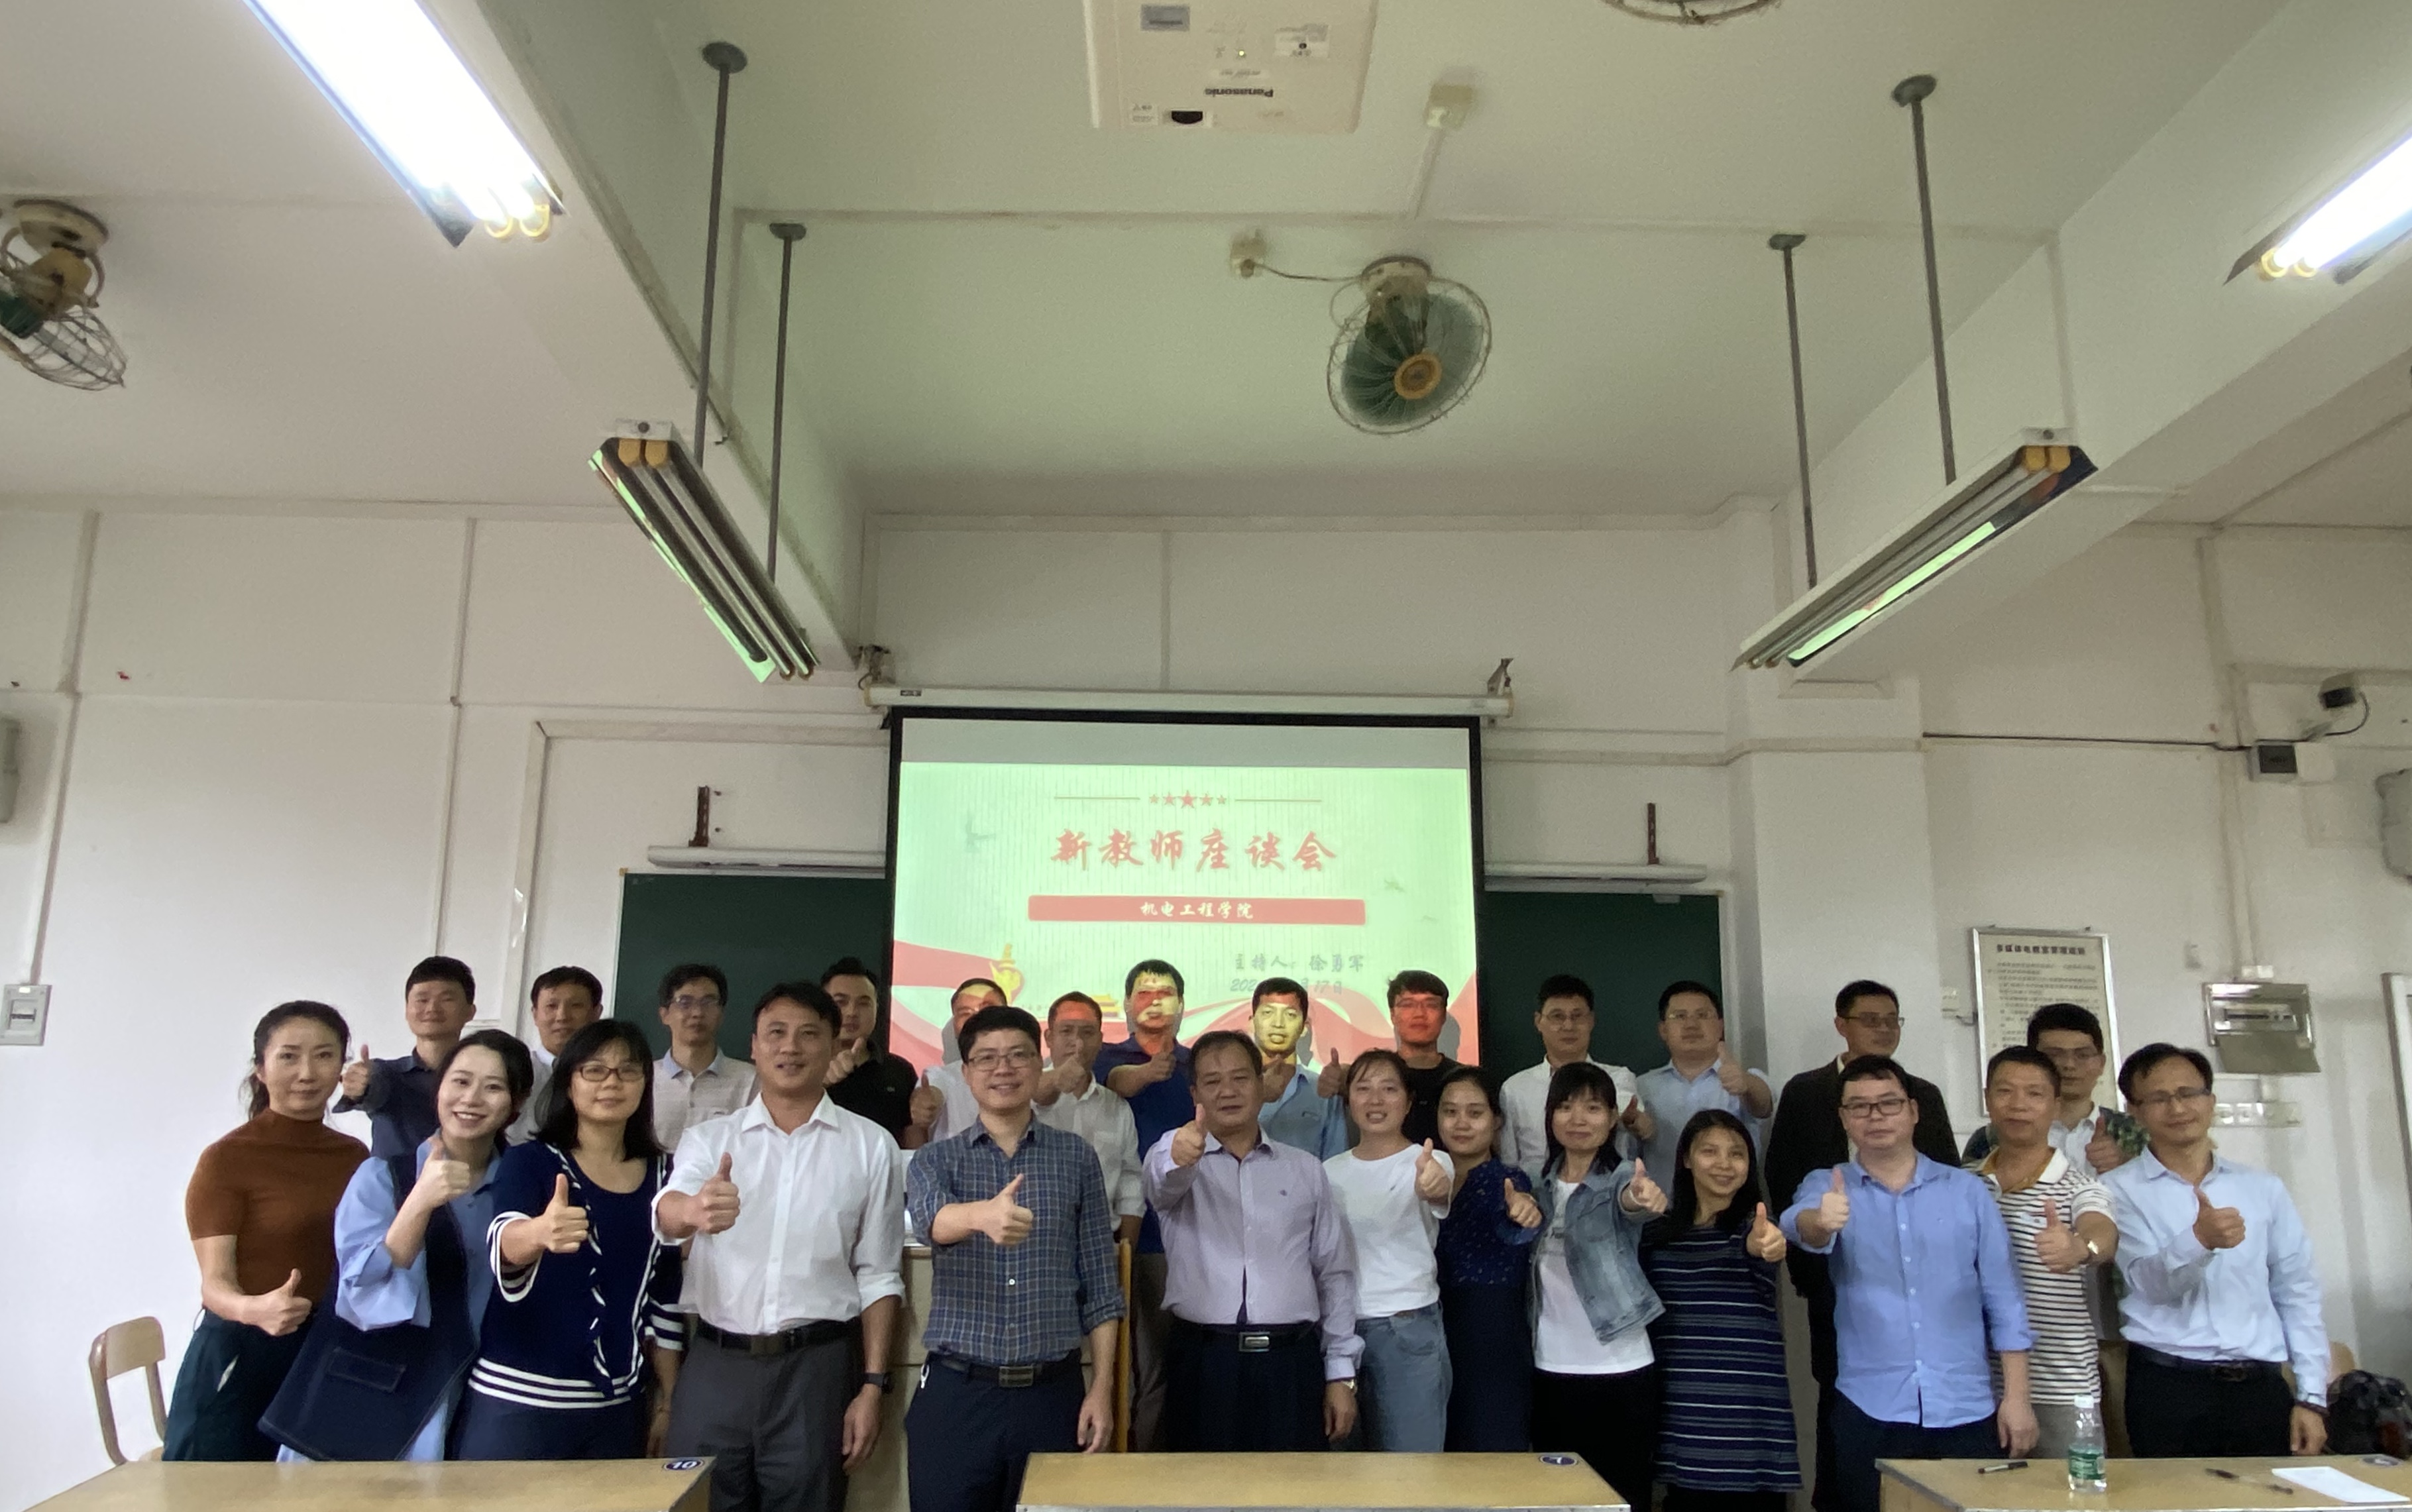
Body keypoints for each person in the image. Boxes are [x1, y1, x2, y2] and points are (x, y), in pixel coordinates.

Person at [655, 982, 907, 1512]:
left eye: (808, 1034)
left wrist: (872, 1386)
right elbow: (666, 1212)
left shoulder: (871, 1146)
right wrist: (695, 1210)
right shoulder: (711, 1140)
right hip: (716, 1363)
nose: (790, 1047)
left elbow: (880, 1273)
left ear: (834, 1045)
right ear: (754, 1046)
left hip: (816, 1371)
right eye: (776, 1033)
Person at [1780, 1055, 2035, 1512]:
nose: (1875, 1116)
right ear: (1844, 1118)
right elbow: (1798, 1225)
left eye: (1889, 1103)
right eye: (1860, 1107)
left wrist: (2017, 1398)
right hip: (1869, 1406)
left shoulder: (1967, 1191)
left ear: (1914, 1111)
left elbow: (2005, 1299)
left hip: (1966, 1406)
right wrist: (1822, 1221)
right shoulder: (1828, 1185)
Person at [278, 1030, 534, 1460]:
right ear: (439, 1089)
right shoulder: (381, 1177)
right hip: (376, 1396)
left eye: (493, 1087)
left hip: (482, 1400)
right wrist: (420, 1200)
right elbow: (360, 1294)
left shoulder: (524, 1188)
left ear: (517, 1104)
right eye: (460, 1081)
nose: (471, 1099)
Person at [907, 1004, 1123, 1512]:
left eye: (1018, 1056)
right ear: (966, 1074)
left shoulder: (1076, 1158)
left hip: (1053, 1394)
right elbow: (933, 1222)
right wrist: (981, 1216)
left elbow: (1102, 1285)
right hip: (958, 1393)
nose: (1003, 1069)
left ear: (1038, 1062)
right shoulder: (935, 1159)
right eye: (987, 1058)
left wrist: (1102, 1388)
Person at [1764, 980, 1959, 1512]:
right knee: (1839, 1396)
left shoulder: (1922, 1094)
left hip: (1914, 1284)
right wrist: (1808, 1265)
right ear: (1841, 1025)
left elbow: (1947, 1176)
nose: (1883, 1029)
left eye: (1891, 1020)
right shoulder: (1806, 1091)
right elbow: (1782, 1176)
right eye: (1869, 1019)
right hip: (1834, 1276)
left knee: (1917, 1400)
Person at [455, 1020, 686, 1460]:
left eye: (628, 1070)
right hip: (518, 1401)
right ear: (568, 1082)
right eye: (594, 1070)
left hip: (618, 1407)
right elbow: (503, 1243)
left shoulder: (667, 1176)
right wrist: (539, 1233)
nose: (612, 1083)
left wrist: (668, 1401)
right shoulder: (531, 1162)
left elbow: (664, 1298)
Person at [2103, 1042, 2329, 1458]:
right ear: (2134, 1111)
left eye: (2188, 1093)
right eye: (2158, 1098)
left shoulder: (2262, 1188)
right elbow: (2150, 1286)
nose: (2177, 1108)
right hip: (2167, 1386)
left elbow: (2297, 1291)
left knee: (2272, 1494)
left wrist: (2312, 1397)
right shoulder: (2116, 1190)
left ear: (2211, 1100)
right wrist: (2198, 1241)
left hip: (2260, 1387)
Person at [1144, 1030, 1360, 1452]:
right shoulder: (1175, 1161)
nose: (1228, 1091)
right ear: (1195, 1094)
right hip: (1205, 1363)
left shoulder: (1306, 1170)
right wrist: (1178, 1150)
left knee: (1295, 1484)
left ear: (1262, 1085)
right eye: (1212, 1081)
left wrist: (1340, 1374)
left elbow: (1334, 1274)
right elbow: (1162, 1179)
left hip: (1291, 1363)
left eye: (1240, 1078)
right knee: (1202, 1485)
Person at [167, 1002, 364, 1460]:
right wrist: (254, 1309)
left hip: (323, 1357)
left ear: (342, 1068)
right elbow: (215, 1285)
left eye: (324, 1056)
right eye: (289, 1056)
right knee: (216, 1491)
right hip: (241, 1354)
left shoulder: (355, 1156)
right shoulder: (227, 1159)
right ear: (261, 1069)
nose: (307, 1073)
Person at [1961, 1002, 2144, 1452]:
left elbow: (2101, 1228)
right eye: (2006, 1092)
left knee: (2081, 1479)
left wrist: (2081, 1248)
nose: (2019, 1105)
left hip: (2066, 1369)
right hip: (1975, 1376)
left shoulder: (2090, 1176)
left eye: (2034, 1094)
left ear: (2053, 1103)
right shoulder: (1963, 1182)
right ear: (1988, 1099)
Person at [1527, 1061, 1671, 1510]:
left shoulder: (1622, 1177)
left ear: (1612, 1119)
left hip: (1620, 1368)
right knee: (1558, 1502)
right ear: (1550, 1116)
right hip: (1550, 1366)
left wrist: (1642, 1199)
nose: (1578, 1119)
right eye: (1566, 1107)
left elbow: (1632, 1202)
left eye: (1592, 1108)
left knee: (1622, 1498)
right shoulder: (1538, 1185)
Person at [1641, 1110, 1800, 1512]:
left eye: (1737, 1154)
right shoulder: (1657, 1234)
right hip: (1684, 1412)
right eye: (1710, 1152)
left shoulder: (1755, 1226)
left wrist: (1766, 1244)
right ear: (1686, 1159)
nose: (1725, 1164)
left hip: (1748, 1418)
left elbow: (1759, 1244)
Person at [1325, 1051, 1454, 1451]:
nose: (1376, 1100)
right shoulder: (1327, 1172)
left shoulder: (1430, 1162)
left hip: (1406, 1330)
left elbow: (1437, 1189)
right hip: (1340, 1335)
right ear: (1348, 1099)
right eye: (1363, 1088)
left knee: (1411, 1469)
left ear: (1409, 1101)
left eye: (1389, 1089)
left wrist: (1434, 1185)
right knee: (1343, 1469)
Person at [1090, 958, 1192, 1450]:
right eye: (1145, 993)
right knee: (1131, 1366)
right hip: (1130, 1237)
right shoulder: (1105, 1058)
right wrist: (1149, 1072)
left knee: (1175, 1365)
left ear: (1182, 1004)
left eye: (1165, 993)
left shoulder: (1199, 1063)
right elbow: (1118, 1083)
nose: (1155, 1002)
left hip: (1192, 1233)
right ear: (1128, 1005)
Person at [1431, 1066, 1540, 1450]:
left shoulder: (1508, 1181)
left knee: (1491, 1454)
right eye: (1450, 1112)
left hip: (1491, 1335)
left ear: (1497, 1121)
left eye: (1475, 1113)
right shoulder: (1424, 1179)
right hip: (1430, 1332)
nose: (1461, 1123)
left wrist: (1522, 1214)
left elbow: (1517, 1224)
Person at [1962, 1004, 2142, 1176]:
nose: (2069, 1065)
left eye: (2082, 1055)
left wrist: (2127, 1164)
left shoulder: (2135, 1130)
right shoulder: (1991, 1137)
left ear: (2101, 1063)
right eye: (2054, 1055)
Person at [334, 956, 478, 1159]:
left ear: (470, 1012)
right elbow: (374, 1090)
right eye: (422, 1000)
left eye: (447, 999)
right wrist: (359, 1089)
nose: (432, 1008)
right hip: (394, 1179)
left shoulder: (481, 1078)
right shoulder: (385, 1073)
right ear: (407, 1009)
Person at [1631, 981, 1773, 1180]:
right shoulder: (1641, 1086)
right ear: (1663, 1030)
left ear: (1720, 1026)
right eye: (1680, 1016)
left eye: (1703, 1015)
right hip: (1662, 1199)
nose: (1691, 1025)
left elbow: (1764, 1106)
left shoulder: (1744, 1080)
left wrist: (1746, 1084)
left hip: (1733, 1199)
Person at [1031, 991, 1143, 1243]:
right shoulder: (1021, 1098)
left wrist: (1127, 1249)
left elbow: (1130, 1182)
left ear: (1101, 1040)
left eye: (1087, 1033)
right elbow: (1035, 1093)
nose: (1078, 1043)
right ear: (1049, 1038)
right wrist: (1056, 1079)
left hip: (1101, 1240)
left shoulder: (1117, 1107)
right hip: (1035, 1242)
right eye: (1066, 1031)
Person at [1498, 976, 1637, 1175]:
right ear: (1538, 1021)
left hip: (1607, 1188)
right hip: (1534, 1191)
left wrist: (1634, 1121)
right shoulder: (1515, 1088)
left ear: (1591, 1021)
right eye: (1557, 1016)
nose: (1568, 1026)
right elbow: (1509, 1161)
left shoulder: (1618, 1079)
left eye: (1577, 1016)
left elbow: (1639, 1124)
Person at [1321, 970, 1461, 1145]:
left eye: (1431, 1005)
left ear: (1443, 1015)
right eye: (1408, 1005)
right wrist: (1341, 1078)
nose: (1419, 1013)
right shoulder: (1365, 1077)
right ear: (1393, 1015)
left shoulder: (1463, 1079)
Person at [653, 963, 757, 1151]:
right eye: (685, 1002)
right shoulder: (643, 1078)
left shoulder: (752, 1080)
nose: (698, 1013)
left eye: (709, 1003)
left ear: (721, 1014)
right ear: (665, 1015)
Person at [1249, 977, 1348, 1159]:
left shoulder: (1323, 1090)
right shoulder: (1233, 1088)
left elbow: (1335, 1161)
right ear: (1252, 1022)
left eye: (1290, 1015)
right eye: (1268, 1013)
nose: (1278, 1024)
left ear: (1304, 1028)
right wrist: (1258, 1096)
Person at [822, 958, 918, 1140]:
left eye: (863, 1003)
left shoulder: (899, 1070)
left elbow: (913, 1138)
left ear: (877, 1009)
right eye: (841, 1002)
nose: (852, 1012)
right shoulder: (804, 1067)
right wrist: (817, 1085)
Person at [909, 977, 1006, 1149]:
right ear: (955, 1026)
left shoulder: (1027, 1071)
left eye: (988, 1010)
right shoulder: (941, 1076)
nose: (977, 1020)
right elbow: (932, 1093)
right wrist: (924, 1106)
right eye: (965, 1013)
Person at [510, 965, 602, 1142]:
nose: (562, 1016)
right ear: (535, 1014)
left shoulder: (610, 1077)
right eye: (551, 1006)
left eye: (576, 1006)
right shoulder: (514, 1070)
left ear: (596, 1013)